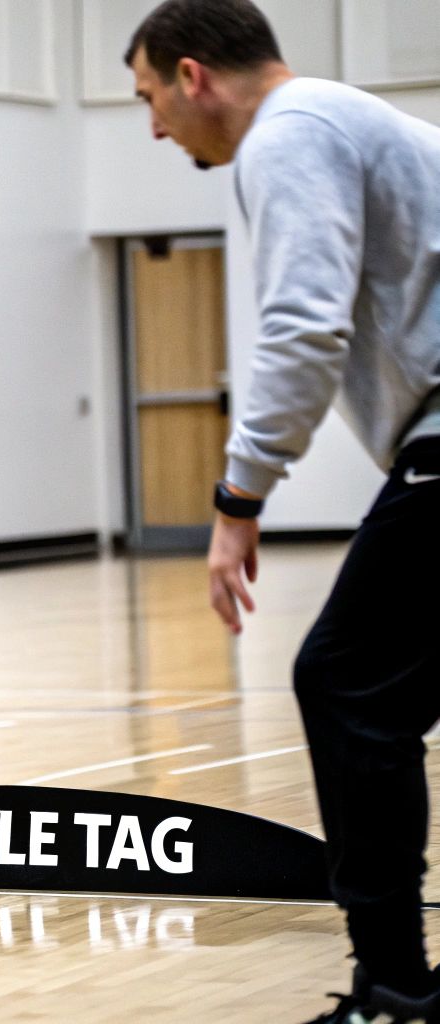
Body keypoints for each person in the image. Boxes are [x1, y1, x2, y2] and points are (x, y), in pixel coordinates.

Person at [126, 2, 440, 1019]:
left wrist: (238, 496)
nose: (153, 128)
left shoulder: (290, 133)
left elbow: (302, 325)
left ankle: (392, 987)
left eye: (148, 99)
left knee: (347, 685)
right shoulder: (349, 119)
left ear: (192, 75)